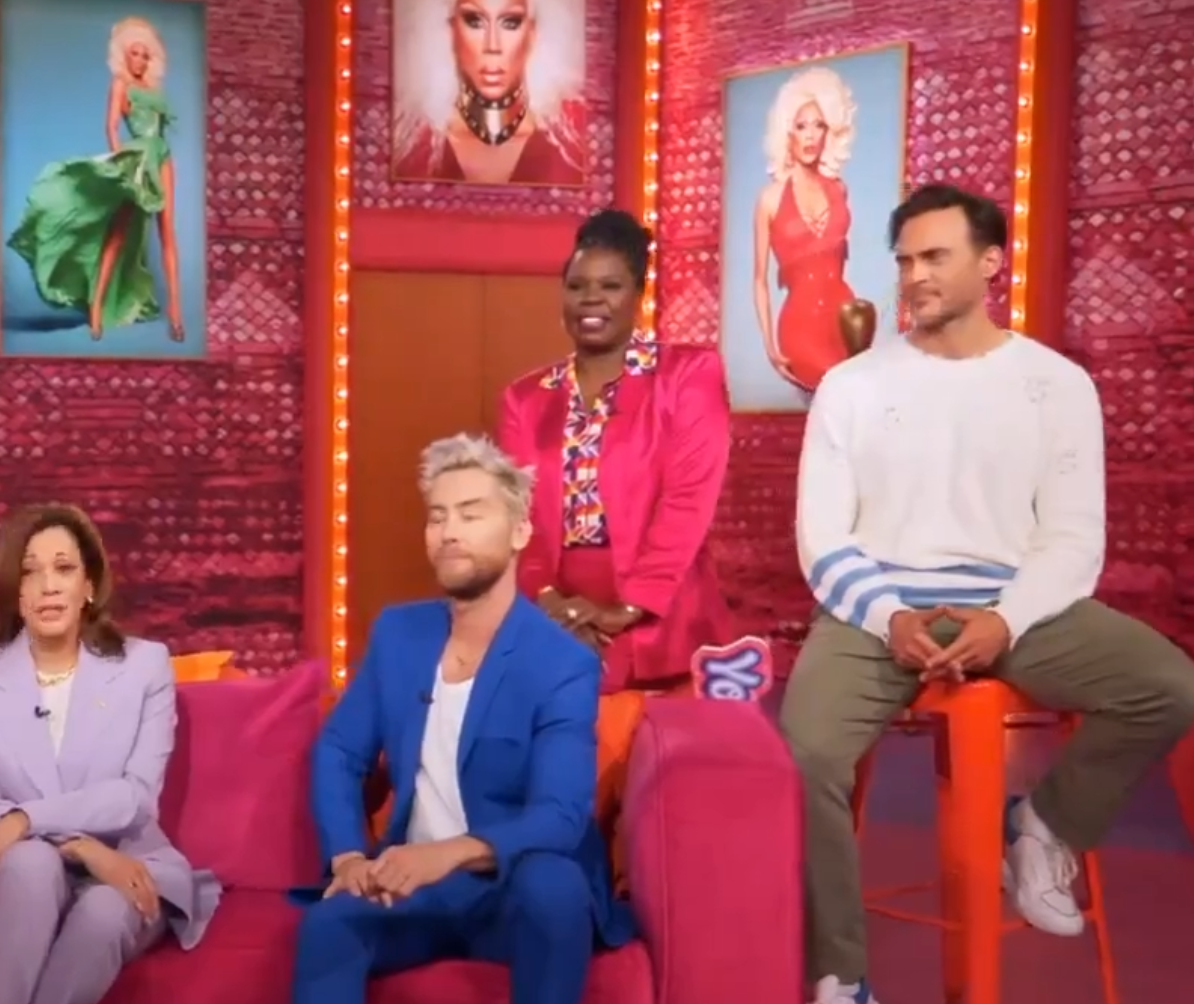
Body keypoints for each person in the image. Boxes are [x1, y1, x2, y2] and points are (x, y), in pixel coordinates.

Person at [780, 183, 1194, 1004]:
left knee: (1169, 686)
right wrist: (889, 615)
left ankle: (1044, 824)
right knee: (806, 750)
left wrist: (1006, 620)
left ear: (991, 262)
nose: (915, 277)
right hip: (879, 611)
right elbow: (822, 534)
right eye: (905, 260)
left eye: (936, 257)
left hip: (1016, 606)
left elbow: (1071, 538)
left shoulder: (1056, 384)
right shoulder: (852, 386)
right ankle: (841, 973)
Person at [291, 434, 633, 1004]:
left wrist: (445, 854)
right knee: (331, 924)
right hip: (418, 889)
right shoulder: (400, 633)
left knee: (553, 885)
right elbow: (339, 751)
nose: (449, 532)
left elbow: (559, 816)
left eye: (471, 515)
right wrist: (348, 856)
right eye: (438, 517)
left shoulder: (561, 662)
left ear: (519, 531)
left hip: (511, 886)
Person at [0, 503, 220, 1004]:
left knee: (104, 912)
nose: (48, 586)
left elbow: (133, 797)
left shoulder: (145, 666)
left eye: (64, 568)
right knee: (30, 863)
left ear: (88, 585)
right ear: (15, 592)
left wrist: (24, 820)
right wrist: (75, 846)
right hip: (17, 867)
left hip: (126, 858)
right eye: (30, 572)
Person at [497, 208, 735, 691]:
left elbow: (687, 501)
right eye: (576, 286)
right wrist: (551, 603)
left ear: (638, 294)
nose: (591, 299)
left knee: (657, 736)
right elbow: (517, 514)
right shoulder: (525, 398)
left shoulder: (688, 375)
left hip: (664, 611)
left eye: (610, 286)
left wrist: (628, 608)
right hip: (555, 613)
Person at [6, 17, 187, 341]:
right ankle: (96, 310)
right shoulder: (120, 84)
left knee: (167, 233)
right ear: (124, 56)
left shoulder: (154, 89)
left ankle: (176, 312)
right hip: (136, 160)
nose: (139, 60)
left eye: (145, 55)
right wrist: (120, 163)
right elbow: (111, 126)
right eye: (134, 53)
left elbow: (159, 129)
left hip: (162, 157)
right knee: (117, 233)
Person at [751, 66, 864, 391]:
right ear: (787, 133)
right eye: (801, 126)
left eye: (819, 125)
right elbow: (759, 280)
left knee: (851, 404)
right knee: (833, 390)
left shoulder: (839, 189)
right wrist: (769, 346)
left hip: (845, 319)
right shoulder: (770, 199)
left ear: (830, 132)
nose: (811, 135)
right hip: (799, 327)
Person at [391, 0, 587, 185]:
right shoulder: (411, 153)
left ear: (531, 33)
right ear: (452, 32)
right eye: (474, 21)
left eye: (511, 23)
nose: (492, 46)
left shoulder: (573, 153)